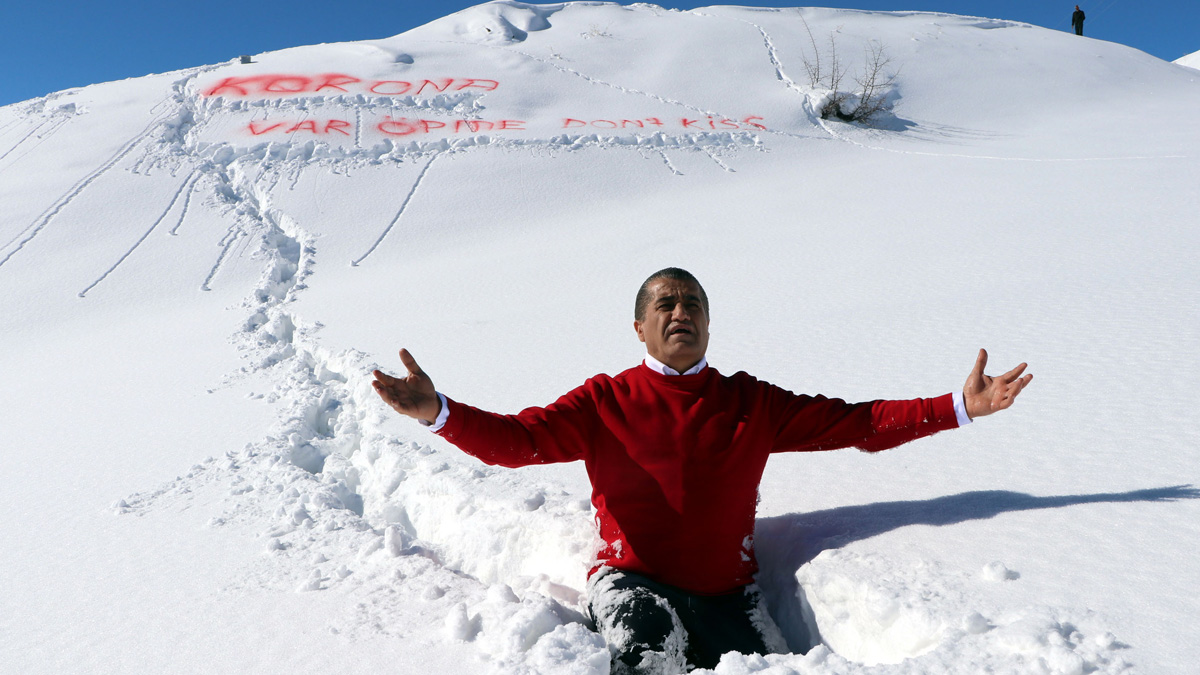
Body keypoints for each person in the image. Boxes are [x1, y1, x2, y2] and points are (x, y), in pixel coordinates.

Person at [372, 267, 1032, 673]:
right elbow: (516, 442)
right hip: (630, 580)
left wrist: (957, 407)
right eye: (665, 303)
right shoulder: (605, 400)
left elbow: (856, 421)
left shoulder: (752, 401)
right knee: (647, 654)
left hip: (731, 593)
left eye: (692, 302)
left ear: (710, 325)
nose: (680, 310)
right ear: (640, 325)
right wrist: (438, 411)